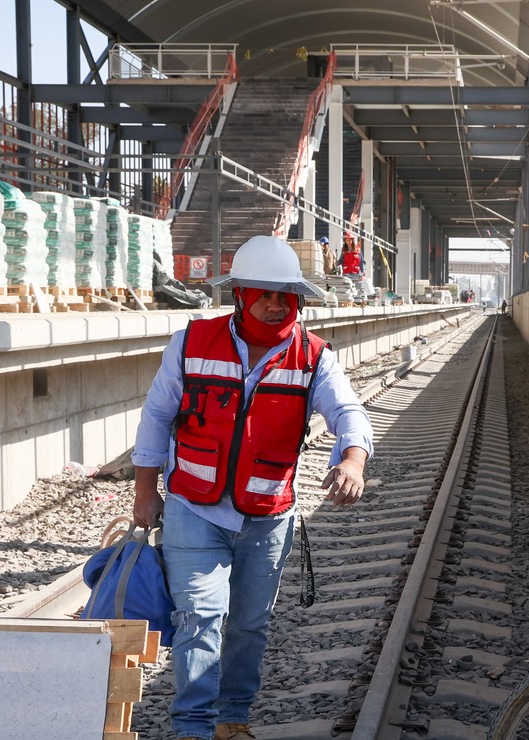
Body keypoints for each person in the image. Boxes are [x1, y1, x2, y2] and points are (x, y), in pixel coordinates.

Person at [131, 235, 374, 740]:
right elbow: (156, 416)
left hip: (268, 515)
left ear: (299, 300)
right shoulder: (191, 343)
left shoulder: (314, 358)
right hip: (193, 510)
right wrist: (145, 491)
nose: (274, 303)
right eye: (262, 292)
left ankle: (232, 719)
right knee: (200, 616)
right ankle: (193, 727)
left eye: (285, 295)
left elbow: (347, 410)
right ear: (240, 294)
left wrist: (353, 458)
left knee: (248, 625)